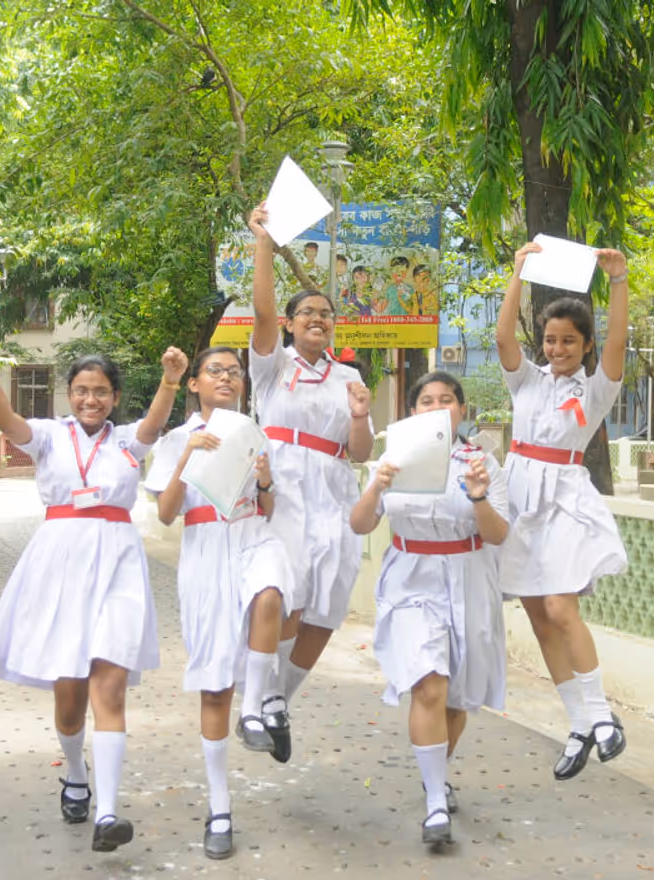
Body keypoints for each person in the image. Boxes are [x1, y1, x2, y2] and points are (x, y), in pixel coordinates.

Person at [0, 337, 187, 852]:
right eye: (83, 391)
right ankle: (75, 771)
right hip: (59, 564)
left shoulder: (127, 441)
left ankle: (108, 812)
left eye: (102, 392)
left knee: (108, 688)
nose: (92, 400)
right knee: (70, 699)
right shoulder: (48, 435)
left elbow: (154, 425)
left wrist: (171, 380)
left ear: (114, 397)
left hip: (117, 565)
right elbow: (8, 423)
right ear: (69, 394)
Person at [144, 346, 294, 860]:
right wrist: (189, 455)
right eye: (216, 371)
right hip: (206, 552)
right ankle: (220, 805)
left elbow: (270, 506)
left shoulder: (257, 435)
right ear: (195, 384)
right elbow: (166, 514)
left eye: (235, 372)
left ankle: (254, 711)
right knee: (213, 687)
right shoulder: (174, 440)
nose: (227, 378)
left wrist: (267, 476)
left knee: (271, 594)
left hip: (253, 536)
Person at [349, 371, 509, 845]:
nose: (437, 407)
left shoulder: (482, 463)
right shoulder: (394, 457)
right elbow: (360, 524)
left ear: (460, 410)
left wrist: (478, 495)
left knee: (457, 696)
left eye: (447, 400)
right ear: (414, 409)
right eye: (426, 400)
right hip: (412, 579)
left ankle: (433, 774)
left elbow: (499, 534)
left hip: (469, 578)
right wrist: (376, 486)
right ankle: (436, 804)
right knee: (428, 683)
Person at [495, 241, 630, 780]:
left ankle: (602, 717)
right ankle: (578, 723)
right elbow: (504, 337)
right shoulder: (526, 379)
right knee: (536, 614)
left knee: (559, 608)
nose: (557, 348)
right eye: (550, 340)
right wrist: (519, 275)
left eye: (568, 341)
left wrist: (618, 282)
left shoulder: (596, 390)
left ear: (585, 345)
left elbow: (618, 341)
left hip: (566, 498)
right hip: (521, 495)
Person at [247, 201, 374, 763]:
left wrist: (363, 415)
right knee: (290, 600)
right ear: (292, 324)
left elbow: (361, 452)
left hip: (335, 496)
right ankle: (259, 696)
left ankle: (279, 702)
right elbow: (261, 312)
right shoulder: (272, 368)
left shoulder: (349, 377)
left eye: (326, 313)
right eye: (307, 313)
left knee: (326, 612)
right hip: (285, 494)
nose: (318, 319)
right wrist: (264, 243)